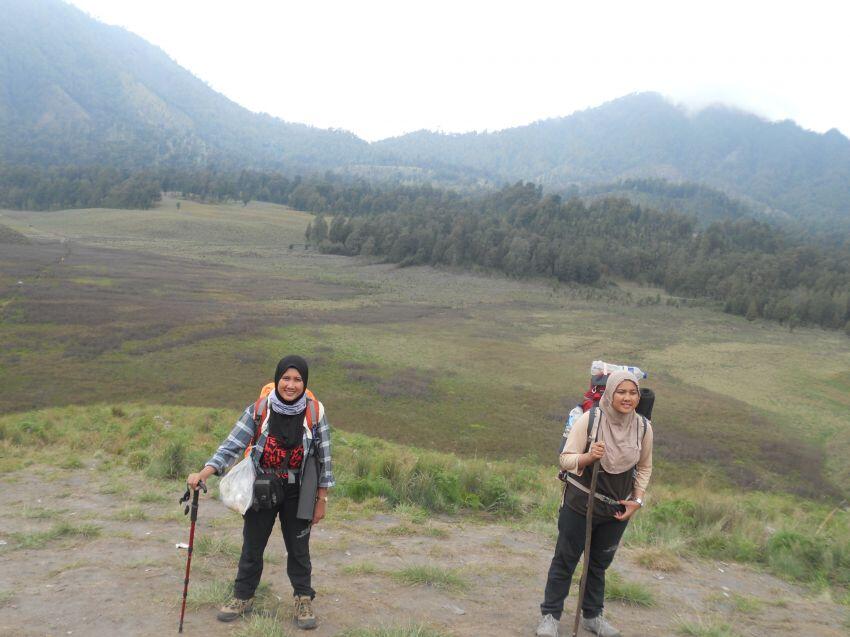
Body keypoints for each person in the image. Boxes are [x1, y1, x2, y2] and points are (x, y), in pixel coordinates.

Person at [187, 355, 334, 630]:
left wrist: (321, 500)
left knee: (299, 549)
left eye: (297, 379)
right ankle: (243, 597)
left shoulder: (315, 413)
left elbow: (325, 458)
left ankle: (303, 598)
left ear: (305, 383)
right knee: (252, 546)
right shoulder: (259, 410)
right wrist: (204, 473)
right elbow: (231, 445)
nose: (291, 385)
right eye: (286, 379)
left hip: (299, 492)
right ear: (277, 379)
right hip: (262, 489)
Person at [536, 371, 653, 637]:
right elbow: (565, 459)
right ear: (610, 393)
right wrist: (589, 456)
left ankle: (592, 616)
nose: (627, 398)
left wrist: (637, 500)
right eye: (621, 392)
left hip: (617, 508)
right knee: (566, 560)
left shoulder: (644, 427)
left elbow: (645, 466)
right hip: (580, 503)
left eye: (632, 392)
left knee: (598, 565)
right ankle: (550, 617)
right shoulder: (590, 421)